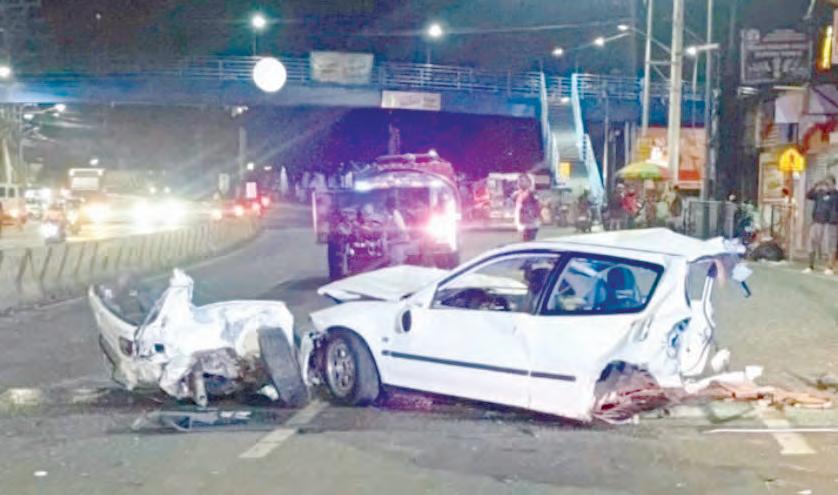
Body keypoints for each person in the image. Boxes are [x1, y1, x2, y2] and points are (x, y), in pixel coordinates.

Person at [803, 175, 837, 275]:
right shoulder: (820, 193)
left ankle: (830, 267)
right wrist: (815, 185)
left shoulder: (836, 195)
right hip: (817, 221)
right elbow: (808, 195)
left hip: (831, 223)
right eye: (825, 183)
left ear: (833, 184)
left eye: (828, 183)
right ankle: (810, 266)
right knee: (811, 242)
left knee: (831, 245)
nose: (826, 185)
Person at [513, 173, 540, 241]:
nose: (519, 183)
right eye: (519, 181)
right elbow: (517, 207)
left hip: (530, 224)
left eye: (522, 181)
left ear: (529, 182)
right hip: (523, 224)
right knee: (524, 242)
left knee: (528, 243)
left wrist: (534, 216)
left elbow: (537, 206)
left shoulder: (531, 193)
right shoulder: (518, 194)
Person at [385, 196, 409, 265]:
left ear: (390, 208)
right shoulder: (392, 216)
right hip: (396, 245)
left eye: (387, 208)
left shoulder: (397, 217)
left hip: (398, 246)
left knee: (397, 265)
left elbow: (403, 236)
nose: (387, 210)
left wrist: (389, 242)